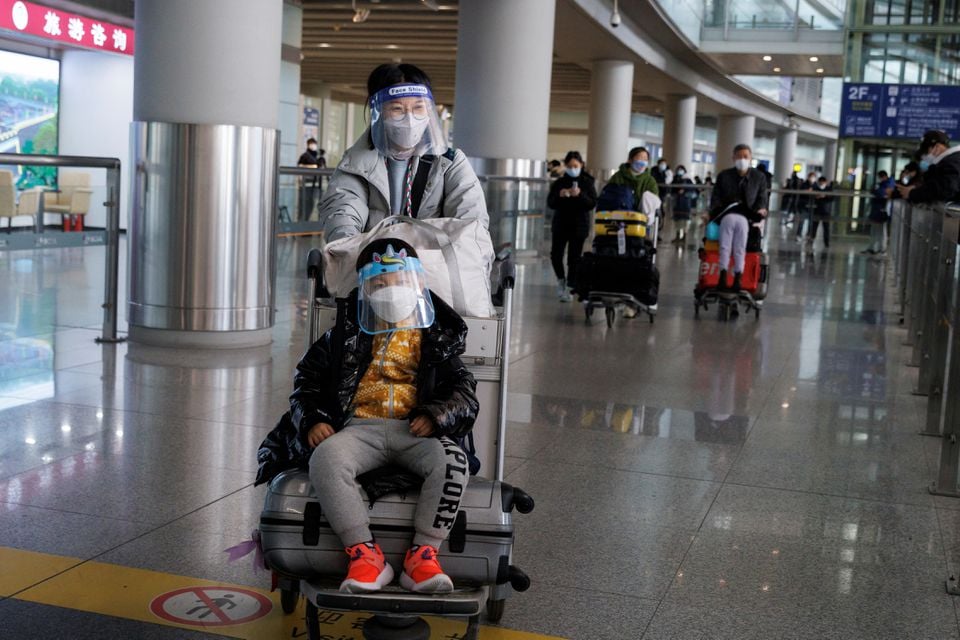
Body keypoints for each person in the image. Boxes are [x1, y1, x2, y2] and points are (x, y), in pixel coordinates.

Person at [295, 237, 478, 595]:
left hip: (415, 430)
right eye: (379, 284)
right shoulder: (345, 335)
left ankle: (423, 555)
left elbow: (463, 391)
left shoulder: (436, 338)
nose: (390, 291)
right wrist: (314, 418)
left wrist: (437, 414)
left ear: (419, 285)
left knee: (453, 463)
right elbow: (308, 378)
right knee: (326, 459)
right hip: (360, 427)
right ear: (364, 288)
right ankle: (363, 554)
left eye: (398, 282)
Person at [321, 63, 488, 243]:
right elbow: (343, 211)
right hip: (372, 264)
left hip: (435, 266)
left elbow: (471, 222)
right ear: (378, 112)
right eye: (397, 109)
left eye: (418, 108)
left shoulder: (450, 163)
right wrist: (349, 249)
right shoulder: (355, 165)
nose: (409, 119)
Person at [708, 144, 769, 295]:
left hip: (748, 218)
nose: (742, 159)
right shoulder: (724, 176)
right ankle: (731, 277)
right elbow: (716, 198)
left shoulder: (759, 177)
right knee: (729, 246)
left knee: (733, 247)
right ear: (733, 158)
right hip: (727, 216)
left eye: (745, 157)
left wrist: (761, 210)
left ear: (750, 158)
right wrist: (713, 213)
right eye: (739, 156)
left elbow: (762, 197)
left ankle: (732, 277)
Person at [546, 150, 597, 302]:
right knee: (556, 255)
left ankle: (570, 285)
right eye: (569, 165)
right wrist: (561, 195)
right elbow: (551, 203)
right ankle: (560, 279)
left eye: (575, 165)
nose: (572, 168)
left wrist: (580, 194)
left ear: (581, 165)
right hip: (561, 225)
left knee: (574, 258)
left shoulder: (588, 182)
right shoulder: (559, 183)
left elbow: (592, 203)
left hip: (579, 226)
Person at [897, 129, 960, 204]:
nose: (925, 157)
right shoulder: (947, 163)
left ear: (937, 147)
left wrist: (913, 193)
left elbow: (946, 188)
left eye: (926, 152)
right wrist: (917, 189)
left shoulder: (952, 163)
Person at [864, 170, 895, 255]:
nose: (879, 179)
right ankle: (874, 248)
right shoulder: (883, 184)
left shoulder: (888, 184)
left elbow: (881, 193)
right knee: (875, 230)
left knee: (882, 230)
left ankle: (882, 249)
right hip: (877, 210)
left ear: (884, 177)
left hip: (882, 210)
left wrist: (875, 191)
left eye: (880, 177)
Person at [298, 138, 323, 221]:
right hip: (305, 186)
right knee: (304, 207)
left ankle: (306, 227)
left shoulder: (316, 156)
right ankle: (302, 228)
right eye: (312, 144)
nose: (313, 146)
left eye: (314, 144)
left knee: (311, 206)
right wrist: (314, 166)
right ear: (308, 144)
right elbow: (299, 168)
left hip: (314, 186)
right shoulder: (304, 156)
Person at [670, 164, 695, 244]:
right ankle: (677, 236)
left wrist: (685, 191)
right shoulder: (675, 179)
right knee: (677, 220)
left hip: (685, 203)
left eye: (681, 170)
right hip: (677, 204)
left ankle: (684, 236)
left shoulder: (688, 180)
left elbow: (692, 190)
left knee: (685, 221)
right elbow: (671, 190)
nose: (680, 171)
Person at [807, 176, 833, 249]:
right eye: (820, 182)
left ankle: (826, 242)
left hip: (826, 211)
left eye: (823, 182)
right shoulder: (815, 188)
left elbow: (831, 198)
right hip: (817, 210)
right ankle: (812, 239)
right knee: (814, 226)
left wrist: (824, 196)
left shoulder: (828, 189)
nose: (822, 183)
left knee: (826, 227)